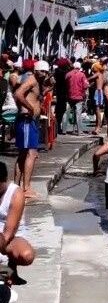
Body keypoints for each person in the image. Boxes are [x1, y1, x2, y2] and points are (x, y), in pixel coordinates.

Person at [13, 60, 50, 199]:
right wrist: (29, 108)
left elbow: (33, 96)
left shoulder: (37, 82)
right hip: (27, 120)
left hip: (30, 121)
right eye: (42, 71)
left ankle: (17, 186)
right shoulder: (32, 80)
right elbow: (18, 94)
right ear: (36, 70)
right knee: (31, 153)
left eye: (46, 71)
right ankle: (26, 187)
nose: (44, 74)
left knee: (24, 154)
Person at [0, 161, 35, 285]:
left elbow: (8, 234)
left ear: (4, 180)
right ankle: (4, 272)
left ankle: (10, 267)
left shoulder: (16, 193)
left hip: (10, 235)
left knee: (27, 256)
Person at [66, 60, 89, 135]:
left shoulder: (68, 74)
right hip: (79, 97)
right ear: (79, 68)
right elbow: (85, 86)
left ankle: (63, 130)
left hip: (69, 96)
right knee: (78, 114)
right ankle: (79, 131)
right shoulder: (82, 75)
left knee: (66, 113)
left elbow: (65, 84)